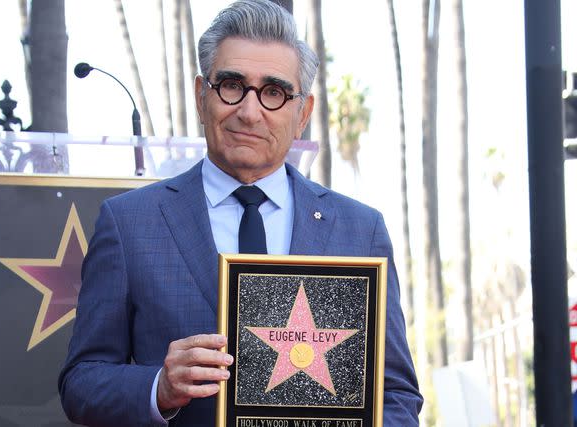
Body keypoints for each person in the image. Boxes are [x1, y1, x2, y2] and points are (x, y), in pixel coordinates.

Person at [58, 1, 423, 426]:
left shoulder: (360, 231)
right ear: (201, 95)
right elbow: (81, 383)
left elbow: (395, 395)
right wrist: (159, 386)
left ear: (302, 112)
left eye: (274, 92)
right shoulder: (129, 224)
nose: (249, 112)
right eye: (232, 85)